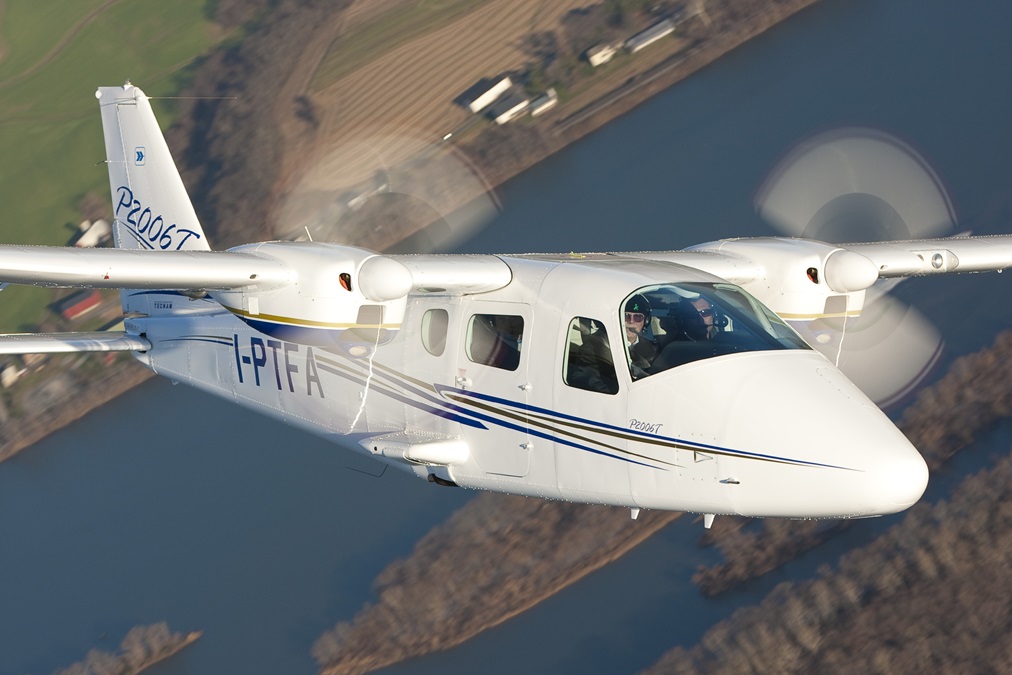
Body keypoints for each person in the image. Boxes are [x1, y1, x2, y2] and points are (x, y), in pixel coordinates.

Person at [624, 294, 657, 378]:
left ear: (645, 322)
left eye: (637, 317)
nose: (631, 321)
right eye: (626, 316)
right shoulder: (597, 345)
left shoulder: (653, 349)